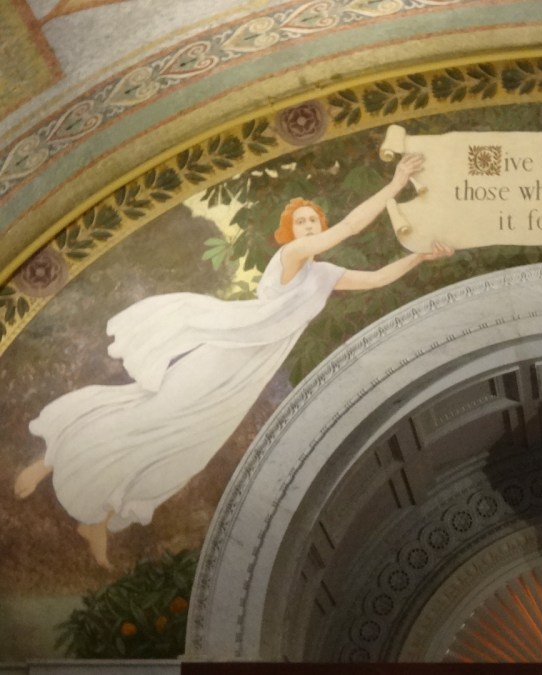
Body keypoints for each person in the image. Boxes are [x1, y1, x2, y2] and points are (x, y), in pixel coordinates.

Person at [13, 153, 453, 568]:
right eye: (299, 222)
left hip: (247, 376)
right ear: (290, 233)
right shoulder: (290, 256)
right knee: (154, 414)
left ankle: (99, 517)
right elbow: (351, 227)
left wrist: (420, 255)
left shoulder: (323, 275)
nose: (306, 226)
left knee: (188, 447)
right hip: (224, 357)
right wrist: (396, 183)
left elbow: (377, 278)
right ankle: (50, 459)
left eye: (312, 221)